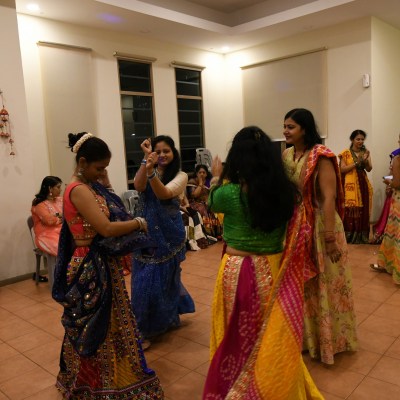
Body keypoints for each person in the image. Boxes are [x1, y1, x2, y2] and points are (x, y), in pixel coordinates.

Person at [203, 126, 323, 399]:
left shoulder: (228, 193)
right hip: (273, 268)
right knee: (268, 330)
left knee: (235, 330)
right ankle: (267, 383)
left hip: (236, 269)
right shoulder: (286, 193)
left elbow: (211, 202)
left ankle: (236, 383)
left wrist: (216, 176)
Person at [52, 132, 163, 399]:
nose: (102, 173)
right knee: (97, 324)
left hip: (99, 261)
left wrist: (104, 181)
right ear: (82, 162)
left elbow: (112, 206)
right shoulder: (79, 190)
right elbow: (106, 227)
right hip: (89, 264)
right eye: (99, 168)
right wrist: (139, 223)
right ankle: (100, 384)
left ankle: (110, 376)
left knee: (111, 321)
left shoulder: (89, 186)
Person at [282, 108, 358, 365]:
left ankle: (331, 341)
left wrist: (329, 237)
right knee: (303, 285)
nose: (285, 131)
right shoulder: (286, 155)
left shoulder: (321, 156)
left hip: (321, 225)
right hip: (297, 226)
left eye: (290, 127)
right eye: (285, 126)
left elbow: (328, 197)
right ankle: (307, 340)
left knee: (326, 281)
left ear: (304, 128)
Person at [132, 135, 195, 340]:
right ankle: (144, 328)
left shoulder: (181, 175)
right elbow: (138, 186)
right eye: (157, 151)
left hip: (168, 235)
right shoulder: (149, 167)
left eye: (166, 151)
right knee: (144, 283)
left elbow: (164, 194)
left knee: (167, 279)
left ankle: (165, 320)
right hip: (146, 233)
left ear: (173, 152)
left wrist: (151, 172)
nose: (161, 155)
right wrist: (145, 160)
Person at [370, 146, 400, 284]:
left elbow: (397, 183)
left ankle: (391, 265)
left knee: (395, 234)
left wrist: (389, 182)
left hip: (398, 200)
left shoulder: (398, 159)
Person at [338, 130, 373, 243]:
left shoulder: (365, 152)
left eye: (362, 139)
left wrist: (366, 160)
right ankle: (349, 236)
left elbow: (369, 169)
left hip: (362, 183)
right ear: (352, 140)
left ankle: (362, 237)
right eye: (358, 139)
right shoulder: (345, 153)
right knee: (350, 210)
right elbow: (342, 169)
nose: (360, 141)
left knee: (363, 209)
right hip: (349, 185)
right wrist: (357, 162)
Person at [31, 176, 63, 286]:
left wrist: (58, 217)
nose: (60, 189)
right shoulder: (39, 204)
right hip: (45, 235)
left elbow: (69, 214)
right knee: (61, 246)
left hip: (60, 230)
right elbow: (49, 220)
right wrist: (61, 217)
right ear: (50, 188)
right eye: (58, 187)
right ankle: (57, 284)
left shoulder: (60, 200)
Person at [372, 136, 400, 244]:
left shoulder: (397, 157)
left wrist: (388, 182)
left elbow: (396, 182)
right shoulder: (395, 154)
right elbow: (392, 172)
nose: (398, 141)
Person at [187, 164, 222, 239]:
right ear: (196, 174)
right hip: (195, 203)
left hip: (206, 202)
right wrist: (200, 183)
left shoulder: (209, 182)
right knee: (202, 209)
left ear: (206, 174)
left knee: (214, 208)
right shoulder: (192, 181)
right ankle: (206, 233)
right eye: (200, 172)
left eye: (204, 172)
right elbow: (194, 195)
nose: (202, 174)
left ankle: (216, 233)